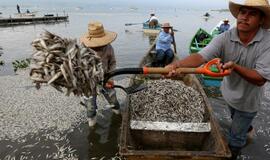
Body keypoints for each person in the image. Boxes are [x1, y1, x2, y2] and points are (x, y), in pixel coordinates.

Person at [165, 0, 270, 159]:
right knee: (236, 118)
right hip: (228, 94)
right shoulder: (224, 37)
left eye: (252, 14)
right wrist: (176, 64)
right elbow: (200, 56)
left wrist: (235, 67)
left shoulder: (267, 42)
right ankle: (247, 130)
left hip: (249, 101)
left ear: (261, 20)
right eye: (243, 12)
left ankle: (235, 150)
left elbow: (260, 79)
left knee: (235, 139)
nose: (244, 17)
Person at [80, 21, 120, 127]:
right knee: (90, 107)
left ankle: (118, 115)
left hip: (107, 77)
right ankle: (92, 125)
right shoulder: (83, 50)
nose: (99, 46)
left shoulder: (109, 48)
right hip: (89, 82)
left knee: (113, 100)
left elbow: (113, 63)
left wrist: (111, 77)